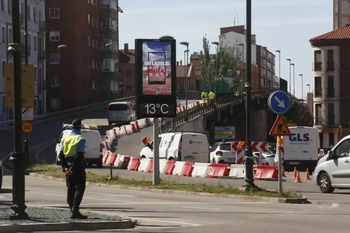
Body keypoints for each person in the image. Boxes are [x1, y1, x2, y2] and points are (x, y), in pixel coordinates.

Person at [59, 119, 87, 219]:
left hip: (67, 164)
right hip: (77, 167)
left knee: (70, 187)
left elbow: (61, 155)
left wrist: (65, 168)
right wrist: (72, 169)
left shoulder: (65, 138)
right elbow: (79, 156)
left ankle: (71, 208)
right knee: (80, 187)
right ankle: (75, 210)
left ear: (72, 127)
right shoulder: (80, 139)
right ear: (80, 127)